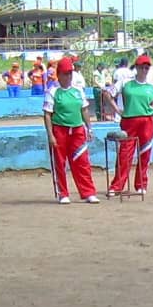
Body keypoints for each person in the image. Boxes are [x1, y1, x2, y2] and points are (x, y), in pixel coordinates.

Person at [43, 56, 99, 204]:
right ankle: (63, 194)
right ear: (59, 74)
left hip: (77, 131)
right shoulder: (53, 91)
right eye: (65, 74)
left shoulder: (78, 91)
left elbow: (84, 110)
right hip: (60, 131)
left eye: (70, 73)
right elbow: (47, 115)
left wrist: (89, 128)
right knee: (60, 163)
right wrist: (50, 135)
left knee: (82, 162)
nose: (68, 76)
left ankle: (88, 193)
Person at [108, 54, 153, 196]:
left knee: (145, 153)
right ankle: (117, 185)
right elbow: (108, 94)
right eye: (142, 67)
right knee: (125, 154)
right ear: (137, 68)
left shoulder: (152, 86)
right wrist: (117, 110)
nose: (144, 70)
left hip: (147, 122)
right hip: (129, 121)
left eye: (147, 68)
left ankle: (141, 184)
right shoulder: (126, 83)